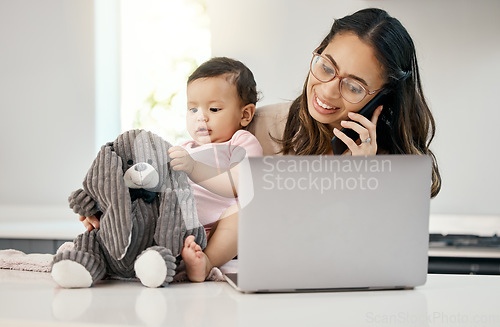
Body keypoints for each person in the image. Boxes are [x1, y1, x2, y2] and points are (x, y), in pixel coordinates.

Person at [80, 57, 263, 282]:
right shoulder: (183, 149)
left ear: (245, 114)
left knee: (243, 213)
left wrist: (194, 168)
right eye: (193, 109)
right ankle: (108, 251)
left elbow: (240, 184)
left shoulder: (240, 142)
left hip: (211, 231)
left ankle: (205, 261)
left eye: (214, 109)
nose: (201, 117)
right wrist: (105, 207)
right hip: (168, 223)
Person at [247, 7, 441, 198]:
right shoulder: (256, 128)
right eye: (326, 67)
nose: (328, 90)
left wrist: (363, 179)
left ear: (382, 97)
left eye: (354, 87)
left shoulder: (397, 167)